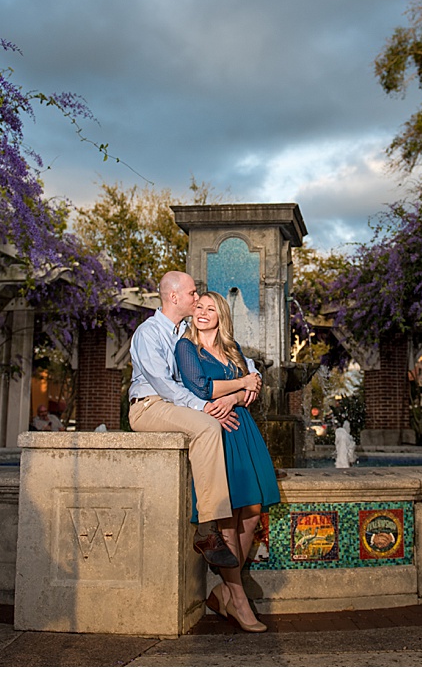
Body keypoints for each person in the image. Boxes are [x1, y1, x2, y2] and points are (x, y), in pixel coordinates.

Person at [127, 271, 247, 570]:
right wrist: (204, 406)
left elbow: (219, 346)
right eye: (193, 293)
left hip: (173, 405)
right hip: (148, 406)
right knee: (208, 425)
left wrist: (250, 375)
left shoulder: (183, 332)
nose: (197, 298)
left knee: (220, 419)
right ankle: (207, 531)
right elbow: (163, 384)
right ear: (174, 296)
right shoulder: (148, 332)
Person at [176, 291, 278, 633]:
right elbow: (201, 387)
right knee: (227, 517)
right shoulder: (187, 348)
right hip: (216, 433)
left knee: (251, 513)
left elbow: (253, 390)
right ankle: (238, 598)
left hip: (242, 430)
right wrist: (242, 384)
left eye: (211, 309)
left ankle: (222, 590)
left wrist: (238, 393)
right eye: (199, 307)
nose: (203, 313)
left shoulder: (234, 351)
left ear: (221, 316)